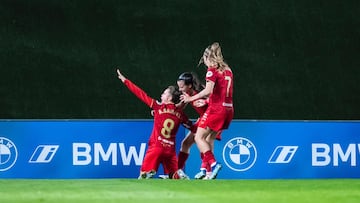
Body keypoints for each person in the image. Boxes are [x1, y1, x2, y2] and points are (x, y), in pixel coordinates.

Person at [116, 69, 192, 179]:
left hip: (156, 147)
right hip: (170, 150)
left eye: (164, 93)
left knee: (142, 176)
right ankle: (177, 174)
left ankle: (148, 173)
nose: (161, 95)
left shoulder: (158, 107)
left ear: (169, 98)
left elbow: (140, 94)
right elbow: (191, 126)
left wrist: (125, 80)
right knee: (174, 177)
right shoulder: (180, 114)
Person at [181, 42, 234, 180]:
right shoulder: (228, 70)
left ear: (207, 57)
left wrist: (191, 98)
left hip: (217, 109)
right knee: (209, 138)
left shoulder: (212, 69)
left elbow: (208, 90)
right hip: (228, 109)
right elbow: (221, 92)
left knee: (199, 137)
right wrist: (206, 101)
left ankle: (214, 164)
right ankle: (205, 170)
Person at [176, 72, 222, 178]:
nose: (180, 89)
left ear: (189, 86)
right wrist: (163, 108)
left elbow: (217, 100)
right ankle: (177, 172)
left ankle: (208, 171)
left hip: (213, 118)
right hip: (202, 119)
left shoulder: (202, 91)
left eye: (182, 87)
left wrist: (206, 102)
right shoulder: (187, 94)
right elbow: (179, 107)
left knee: (205, 142)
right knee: (186, 143)